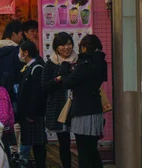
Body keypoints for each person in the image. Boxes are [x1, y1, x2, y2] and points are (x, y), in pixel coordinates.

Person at [57, 35, 106, 168]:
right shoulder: (100, 62)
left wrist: (64, 69)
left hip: (83, 112)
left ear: (84, 47)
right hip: (95, 110)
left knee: (83, 150)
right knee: (92, 149)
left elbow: (67, 83)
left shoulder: (85, 64)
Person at [42, 32, 76, 168]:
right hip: (58, 106)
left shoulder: (78, 61)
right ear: (56, 47)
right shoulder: (50, 64)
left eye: (69, 44)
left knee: (80, 137)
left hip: (77, 106)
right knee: (64, 141)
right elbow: (44, 86)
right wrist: (58, 78)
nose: (67, 47)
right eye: (63, 44)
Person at [17, 41, 47, 168]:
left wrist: (31, 113)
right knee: (33, 141)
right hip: (28, 113)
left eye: (20, 51)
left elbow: (36, 93)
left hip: (34, 114)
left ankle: (41, 165)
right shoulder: (29, 67)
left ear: (26, 53)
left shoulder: (36, 68)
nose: (19, 54)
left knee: (38, 143)